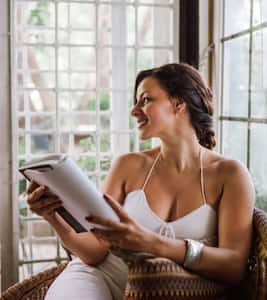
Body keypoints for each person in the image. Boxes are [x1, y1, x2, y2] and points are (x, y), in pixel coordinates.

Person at [26, 63, 255, 300]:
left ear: (179, 104)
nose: (134, 111)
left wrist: (152, 243)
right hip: (99, 277)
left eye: (145, 100)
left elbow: (233, 267)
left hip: (165, 291)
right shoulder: (127, 165)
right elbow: (94, 253)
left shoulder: (230, 175)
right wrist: (51, 216)